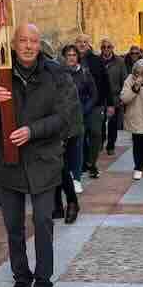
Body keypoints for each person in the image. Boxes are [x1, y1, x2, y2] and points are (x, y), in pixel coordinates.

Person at [0, 24, 76, 287]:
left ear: (40, 44)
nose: (28, 46)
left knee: (42, 223)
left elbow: (64, 117)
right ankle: (21, 279)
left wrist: (32, 130)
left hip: (43, 160)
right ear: (13, 44)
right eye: (23, 40)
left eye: (34, 41)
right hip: (9, 161)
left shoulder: (56, 73)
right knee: (13, 226)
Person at [55, 44, 96, 224]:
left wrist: (84, 110)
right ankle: (56, 204)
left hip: (71, 123)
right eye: (68, 55)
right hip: (50, 126)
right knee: (54, 166)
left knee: (63, 164)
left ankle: (71, 199)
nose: (71, 58)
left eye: (74, 55)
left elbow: (89, 96)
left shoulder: (78, 75)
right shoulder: (53, 73)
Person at [76, 34, 111, 179]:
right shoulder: (70, 60)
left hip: (96, 105)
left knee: (96, 134)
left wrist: (109, 104)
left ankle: (91, 162)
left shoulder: (97, 61)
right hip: (76, 106)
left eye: (85, 42)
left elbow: (105, 82)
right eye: (79, 42)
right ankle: (82, 164)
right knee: (80, 136)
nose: (82, 44)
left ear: (89, 44)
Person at [101, 39, 128, 155]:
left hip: (115, 97)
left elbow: (124, 79)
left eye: (108, 47)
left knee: (113, 123)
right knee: (100, 123)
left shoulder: (119, 61)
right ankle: (100, 142)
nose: (106, 49)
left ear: (112, 48)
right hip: (101, 97)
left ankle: (111, 145)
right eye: (104, 47)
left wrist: (123, 97)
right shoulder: (97, 60)